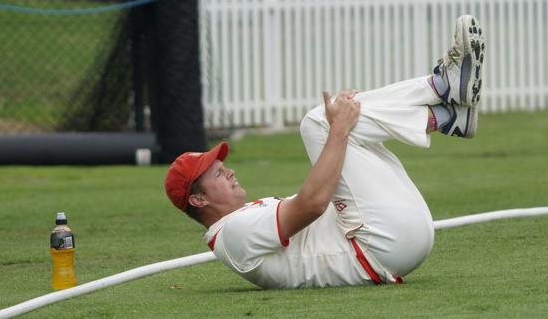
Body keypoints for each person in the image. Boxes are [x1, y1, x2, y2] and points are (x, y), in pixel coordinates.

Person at [165, 15, 485, 288]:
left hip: (396, 239)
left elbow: (325, 194)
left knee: (336, 117)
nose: (230, 171)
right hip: (380, 246)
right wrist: (339, 127)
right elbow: (314, 204)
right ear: (198, 199)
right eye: (218, 174)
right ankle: (441, 93)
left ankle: (447, 112)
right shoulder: (233, 232)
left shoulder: (241, 220)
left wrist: (355, 116)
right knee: (317, 122)